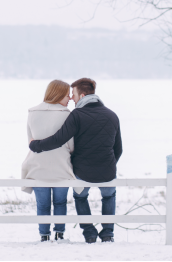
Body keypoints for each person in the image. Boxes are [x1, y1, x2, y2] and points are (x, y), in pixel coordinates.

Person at [29, 78, 122, 244]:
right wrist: (109, 164)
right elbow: (118, 149)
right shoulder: (112, 115)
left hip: (82, 172)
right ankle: (108, 233)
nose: (72, 98)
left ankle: (89, 233)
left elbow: (59, 139)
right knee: (109, 196)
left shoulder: (77, 115)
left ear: (83, 95)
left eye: (74, 94)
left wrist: (36, 145)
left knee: (80, 197)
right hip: (107, 171)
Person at [21, 80, 75, 242]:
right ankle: (59, 233)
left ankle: (44, 235)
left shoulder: (32, 112)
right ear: (58, 95)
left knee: (42, 204)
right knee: (60, 202)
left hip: (38, 166)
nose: (70, 99)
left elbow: (30, 141)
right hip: (61, 166)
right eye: (67, 95)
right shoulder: (66, 115)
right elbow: (71, 145)